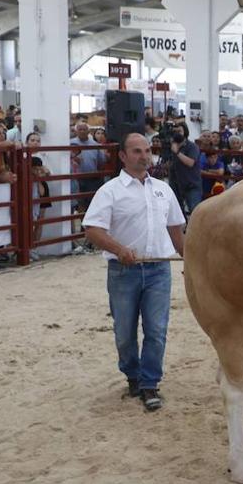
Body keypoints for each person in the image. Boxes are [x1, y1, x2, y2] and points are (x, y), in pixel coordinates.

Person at [82, 133, 187, 412]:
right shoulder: (110, 191)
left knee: (156, 329)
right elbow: (92, 229)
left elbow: (176, 229)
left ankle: (150, 382)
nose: (144, 156)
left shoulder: (164, 190)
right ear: (123, 156)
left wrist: (190, 259)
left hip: (159, 269)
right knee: (124, 332)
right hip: (123, 270)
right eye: (137, 151)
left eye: (147, 150)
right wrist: (118, 249)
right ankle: (132, 375)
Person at [166, 122, 202, 215]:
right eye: (175, 131)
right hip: (176, 183)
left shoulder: (192, 146)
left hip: (191, 185)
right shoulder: (172, 145)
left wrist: (177, 152)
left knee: (195, 211)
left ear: (185, 132)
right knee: (177, 213)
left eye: (179, 131)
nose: (177, 134)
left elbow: (190, 163)